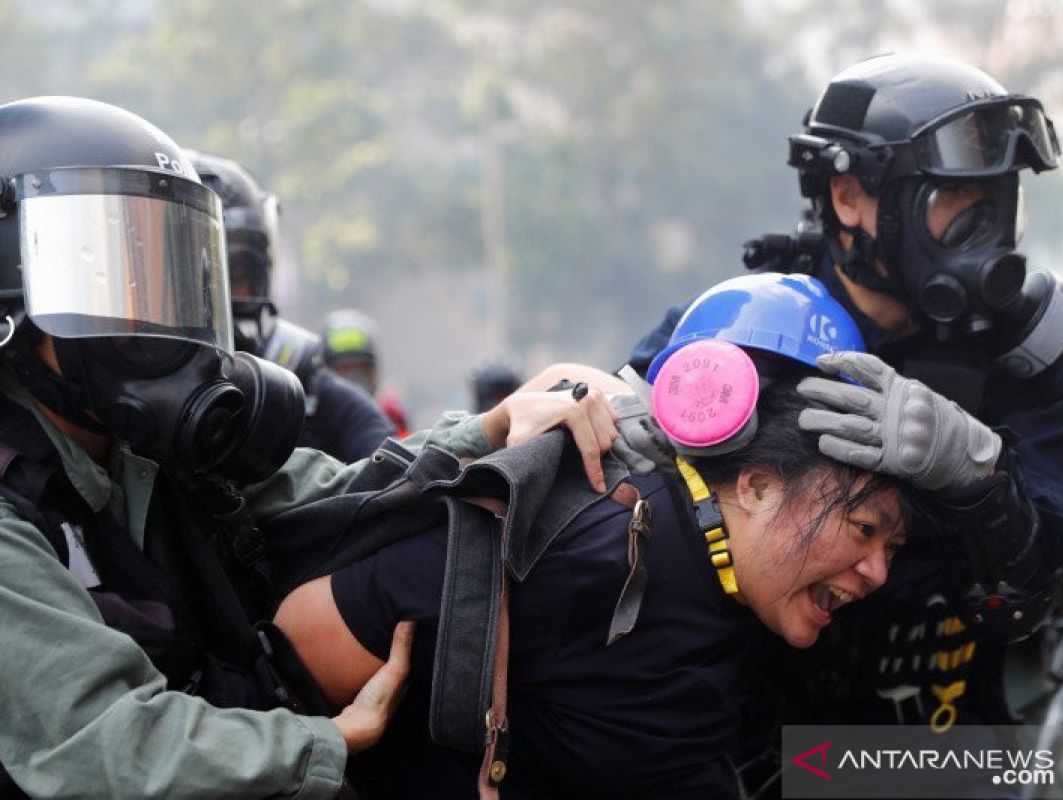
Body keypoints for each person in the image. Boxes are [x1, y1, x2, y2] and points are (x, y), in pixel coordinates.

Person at [0, 96, 621, 798]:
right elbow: (104, 744)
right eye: (109, 281)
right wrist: (324, 740)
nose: (148, 315)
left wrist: (492, 428)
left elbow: (342, 496)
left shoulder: (144, 449)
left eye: (163, 276)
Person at [273, 273, 913, 799]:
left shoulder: (748, 587)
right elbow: (299, 643)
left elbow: (838, 763)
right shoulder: (584, 538)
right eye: (862, 529)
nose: (877, 572)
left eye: (891, 547)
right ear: (757, 484)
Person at [629, 54, 1063, 741]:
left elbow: (1027, 592)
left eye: (996, 206)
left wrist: (978, 478)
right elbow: (619, 492)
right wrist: (566, 404)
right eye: (954, 206)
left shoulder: (1031, 360)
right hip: (754, 734)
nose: (984, 237)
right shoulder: (741, 325)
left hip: (946, 735)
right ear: (849, 198)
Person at [187, 150, 393, 462]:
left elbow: (394, 467)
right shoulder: (121, 391)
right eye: (193, 281)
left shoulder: (306, 390)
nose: (216, 297)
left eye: (236, 275)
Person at [320, 308, 410, 436]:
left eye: (363, 369)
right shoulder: (312, 423)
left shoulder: (392, 418)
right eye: (344, 370)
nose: (356, 379)